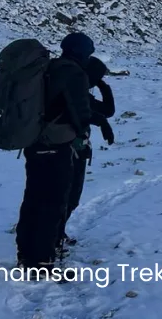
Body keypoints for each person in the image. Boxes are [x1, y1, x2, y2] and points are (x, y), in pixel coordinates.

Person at [15, 32, 93, 271]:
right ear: (82, 52)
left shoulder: (49, 67)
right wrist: (86, 132)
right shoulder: (74, 73)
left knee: (33, 199)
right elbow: (79, 113)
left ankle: (25, 254)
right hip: (56, 145)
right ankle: (42, 260)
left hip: (33, 142)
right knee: (53, 202)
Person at [57, 56, 116, 254]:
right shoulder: (74, 93)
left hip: (76, 149)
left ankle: (58, 233)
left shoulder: (78, 91)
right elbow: (97, 113)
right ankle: (55, 236)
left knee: (69, 197)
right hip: (69, 149)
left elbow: (107, 111)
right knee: (67, 197)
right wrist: (101, 86)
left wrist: (102, 85)